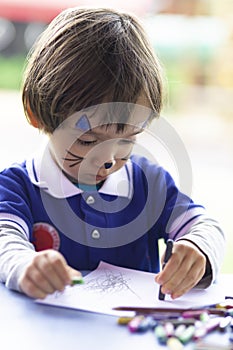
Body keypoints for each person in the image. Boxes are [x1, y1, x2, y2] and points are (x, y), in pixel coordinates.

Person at [0, 7, 225, 300]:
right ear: (37, 115)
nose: (107, 159)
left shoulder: (148, 183)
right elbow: (6, 242)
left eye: (126, 141)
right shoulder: (17, 187)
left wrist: (198, 249)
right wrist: (25, 265)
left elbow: (204, 225)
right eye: (88, 141)